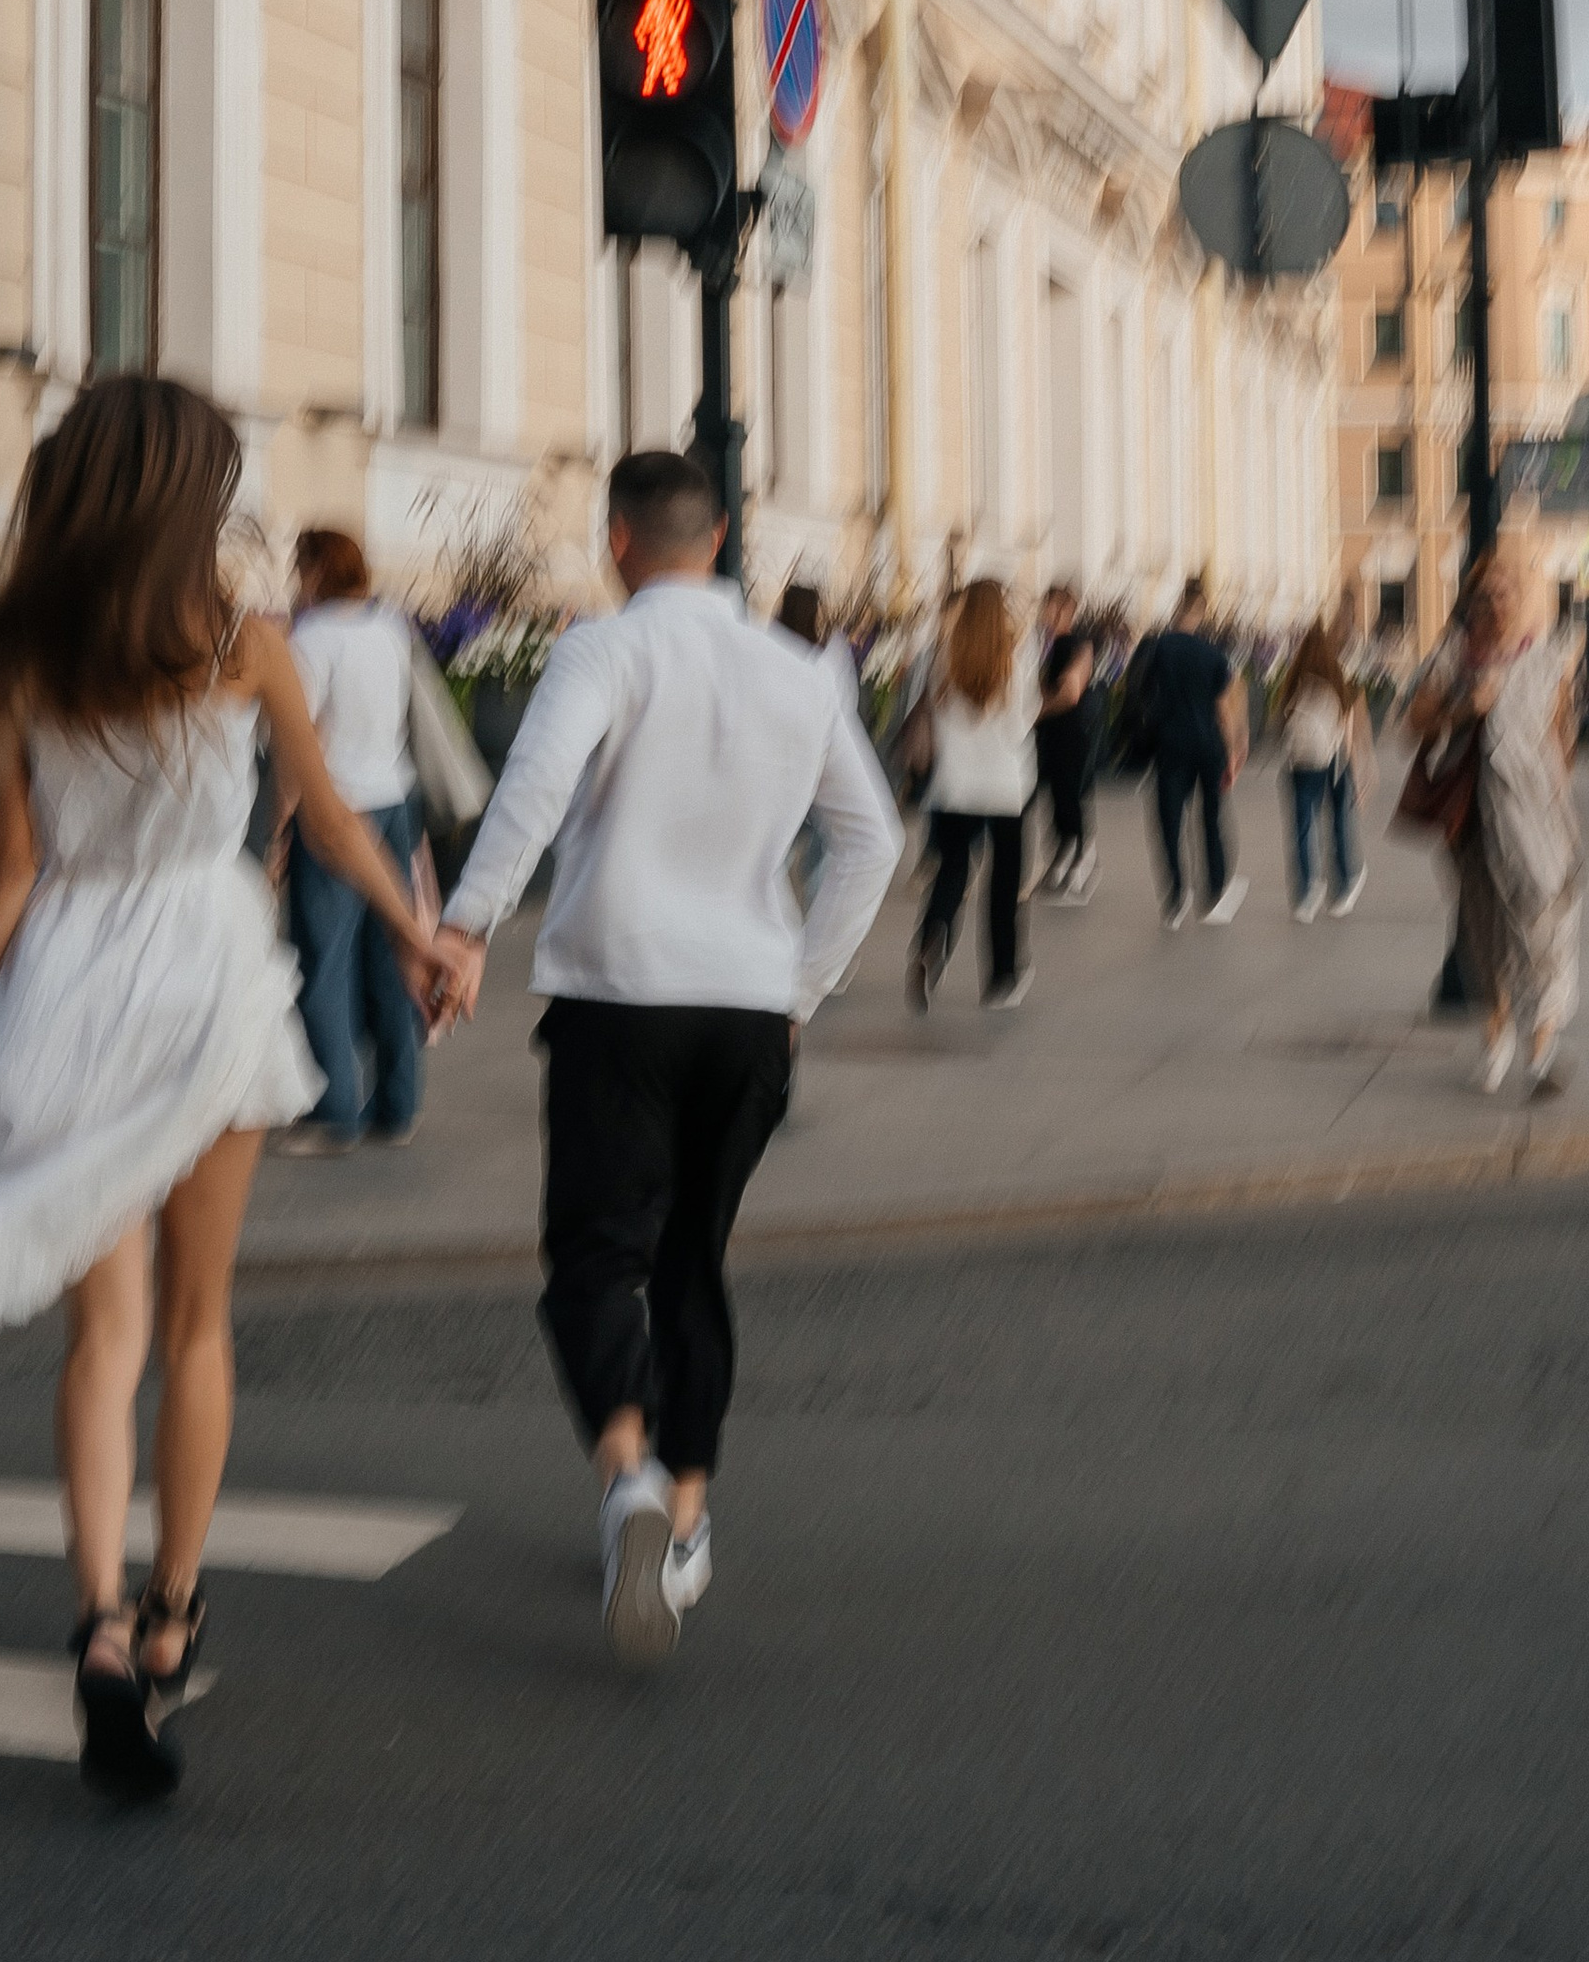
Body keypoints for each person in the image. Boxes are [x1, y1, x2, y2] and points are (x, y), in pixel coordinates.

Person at [0, 376, 468, 1799]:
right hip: (206, 969)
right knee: (197, 1323)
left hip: (65, 983)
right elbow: (331, 815)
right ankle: (176, 1607)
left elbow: (8, 868)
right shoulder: (246, 644)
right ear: (188, 503)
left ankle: (101, 1629)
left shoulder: (19, 659)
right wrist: (423, 936)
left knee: (100, 1337)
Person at [429, 450, 903, 1673]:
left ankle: (628, 1478)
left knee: (593, 1260)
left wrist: (466, 925)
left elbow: (530, 790)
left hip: (617, 998)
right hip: (746, 1006)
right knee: (694, 1256)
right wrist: (802, 987)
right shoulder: (803, 670)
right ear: (726, 535)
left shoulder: (605, 650)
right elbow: (870, 840)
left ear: (617, 540)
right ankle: (686, 1524)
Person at [1408, 543, 1582, 1096]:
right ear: (1471, 603)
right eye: (1486, 596)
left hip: (1536, 819)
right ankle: (1497, 1036)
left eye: (1507, 593)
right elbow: (1414, 724)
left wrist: (1557, 792)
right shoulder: (1453, 658)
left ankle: (1540, 1050)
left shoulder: (1547, 658)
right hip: (1474, 820)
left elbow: (1560, 735)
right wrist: (1466, 706)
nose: (1498, 604)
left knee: (1546, 921)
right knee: (1485, 935)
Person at [282, 527, 424, 1149]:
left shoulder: (311, 640)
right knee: (392, 955)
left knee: (324, 961)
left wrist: (279, 827)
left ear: (314, 569)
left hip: (336, 810)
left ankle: (335, 1106)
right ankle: (399, 1103)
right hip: (395, 796)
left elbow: (300, 742)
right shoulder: (389, 627)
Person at [908, 579, 1039, 1011]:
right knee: (1004, 883)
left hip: (954, 786)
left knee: (952, 870)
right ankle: (1002, 977)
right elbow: (1022, 724)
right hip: (1005, 787)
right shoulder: (1014, 663)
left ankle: (933, 937)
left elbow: (927, 716)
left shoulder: (942, 660)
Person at [1146, 576, 1248, 929]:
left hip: (1170, 744)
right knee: (1211, 819)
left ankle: (1175, 895)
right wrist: (1235, 750)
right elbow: (1223, 709)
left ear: (1178, 608)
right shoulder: (1213, 655)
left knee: (1169, 822)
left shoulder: (1158, 647)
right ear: (1202, 612)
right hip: (1208, 747)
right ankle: (1214, 891)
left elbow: (1144, 693)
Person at [1276, 614, 1367, 924]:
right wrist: (1358, 770)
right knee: (1337, 823)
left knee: (1302, 827)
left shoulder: (1293, 680)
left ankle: (1305, 893)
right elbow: (1349, 728)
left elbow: (1281, 723)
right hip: (1334, 760)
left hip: (1300, 763)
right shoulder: (1338, 678)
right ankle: (1342, 886)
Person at [1034, 586, 1099, 900]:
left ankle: (1079, 859)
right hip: (1053, 734)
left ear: (1066, 610)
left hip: (1069, 732)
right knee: (1058, 800)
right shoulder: (1048, 645)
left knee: (1068, 798)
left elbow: (1070, 693)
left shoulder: (1072, 644)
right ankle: (1062, 859)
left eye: (1050, 607)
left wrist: (1036, 711)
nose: (1044, 613)